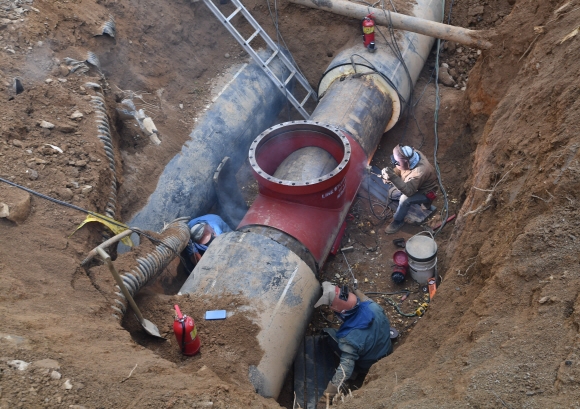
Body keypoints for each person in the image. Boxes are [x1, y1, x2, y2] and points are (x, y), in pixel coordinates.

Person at [314, 281, 393, 406]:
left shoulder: (349, 338)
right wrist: (357, 290)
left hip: (370, 364)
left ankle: (357, 375)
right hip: (387, 350)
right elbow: (364, 298)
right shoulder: (373, 306)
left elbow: (345, 369)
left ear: (338, 310)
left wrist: (326, 398)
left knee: (330, 335)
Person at [381, 144, 438, 234]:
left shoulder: (419, 172)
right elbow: (400, 168)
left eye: (397, 162)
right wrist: (391, 175)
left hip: (425, 192)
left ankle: (398, 221)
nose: (396, 163)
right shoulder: (412, 156)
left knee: (404, 200)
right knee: (391, 194)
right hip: (416, 184)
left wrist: (393, 178)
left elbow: (409, 192)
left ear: (405, 162)